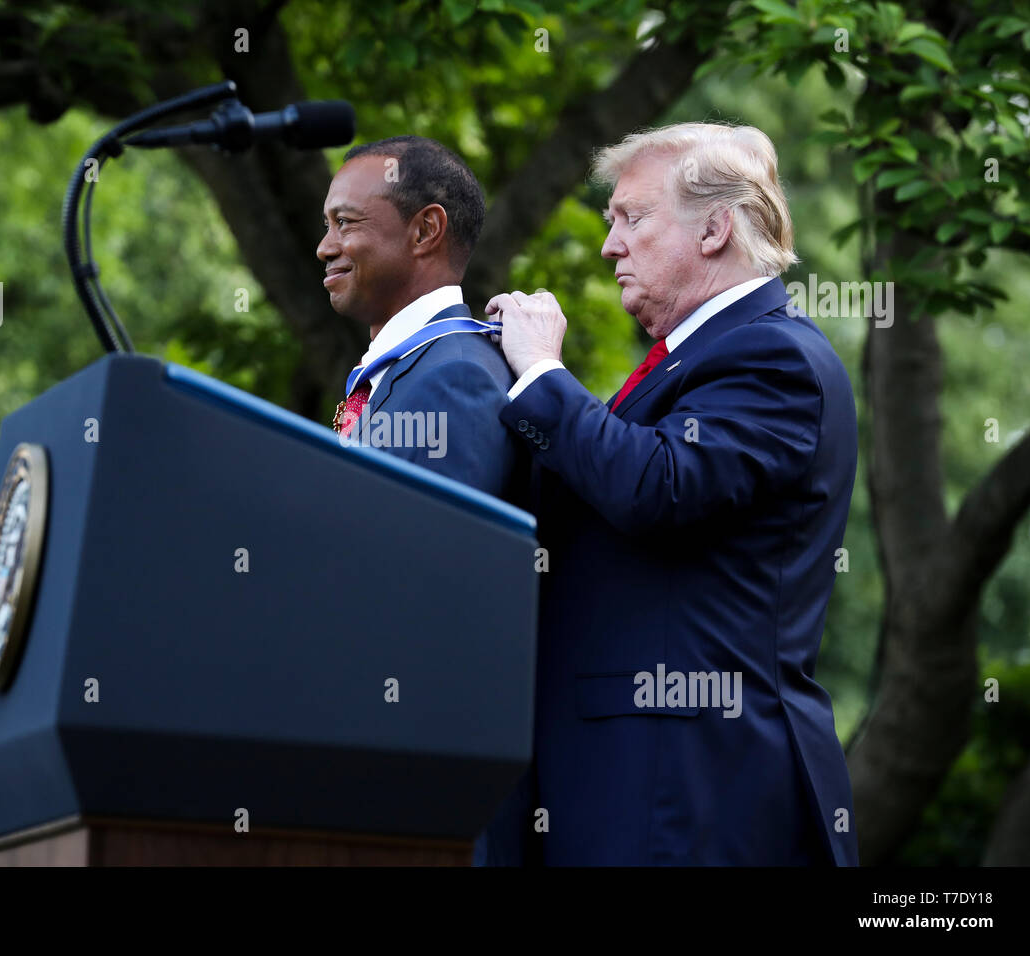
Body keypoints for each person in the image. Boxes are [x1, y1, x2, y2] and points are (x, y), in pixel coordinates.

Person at [486, 122, 859, 865]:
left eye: (631, 217)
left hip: (685, 789)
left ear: (716, 228)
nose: (609, 245)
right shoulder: (699, 356)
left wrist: (539, 373)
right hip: (642, 781)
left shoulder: (773, 353)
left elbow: (655, 487)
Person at [317, 135, 532, 864]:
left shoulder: (455, 374)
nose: (324, 246)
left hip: (423, 798)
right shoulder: (405, 373)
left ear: (425, 230)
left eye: (346, 223)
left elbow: (431, 603)